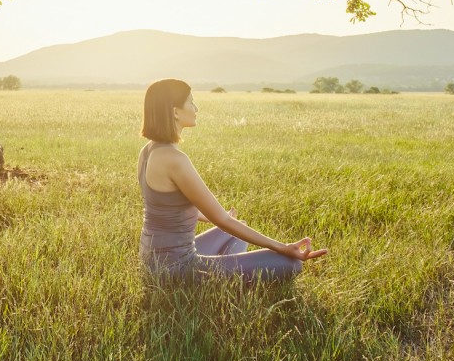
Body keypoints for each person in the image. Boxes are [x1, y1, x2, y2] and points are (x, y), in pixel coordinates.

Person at [138, 78, 328, 282]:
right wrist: (282, 247)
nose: (196, 108)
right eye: (191, 102)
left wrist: (216, 217)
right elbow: (224, 221)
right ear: (175, 111)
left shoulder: (148, 150)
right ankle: (220, 277)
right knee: (291, 264)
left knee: (236, 231)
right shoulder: (175, 159)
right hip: (177, 269)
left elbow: (168, 208)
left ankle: (222, 274)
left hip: (153, 261)